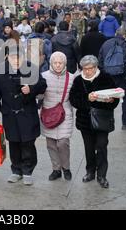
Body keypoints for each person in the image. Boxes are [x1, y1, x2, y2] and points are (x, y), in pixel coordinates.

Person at [0, 42, 47, 186]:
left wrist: (31, 88)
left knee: (28, 142)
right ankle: (16, 170)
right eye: (13, 57)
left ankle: (28, 170)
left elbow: (43, 84)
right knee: (14, 142)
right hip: (9, 113)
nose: (16, 60)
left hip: (27, 112)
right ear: (7, 57)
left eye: (19, 57)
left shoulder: (31, 68)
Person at [69, 55, 120, 189]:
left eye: (90, 68)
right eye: (84, 68)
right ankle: (90, 171)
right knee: (89, 148)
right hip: (85, 121)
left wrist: (111, 100)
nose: (87, 71)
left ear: (96, 67)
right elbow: (74, 100)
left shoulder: (105, 78)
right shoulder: (78, 81)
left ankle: (102, 175)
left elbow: (116, 98)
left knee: (102, 146)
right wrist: (87, 99)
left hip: (102, 120)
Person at [39, 52, 74, 182]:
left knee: (63, 142)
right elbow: (39, 95)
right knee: (51, 144)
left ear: (65, 63)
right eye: (55, 63)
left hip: (65, 113)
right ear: (51, 63)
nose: (58, 65)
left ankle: (66, 167)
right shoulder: (44, 76)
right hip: (48, 114)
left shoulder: (71, 77)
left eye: (61, 63)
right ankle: (56, 169)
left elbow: (75, 96)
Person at [98, 28, 126, 130]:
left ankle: (106, 121)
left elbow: (100, 60)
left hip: (107, 75)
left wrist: (104, 72)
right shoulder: (124, 44)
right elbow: (125, 61)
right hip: (120, 76)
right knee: (125, 98)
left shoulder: (106, 43)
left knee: (107, 99)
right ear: (124, 35)